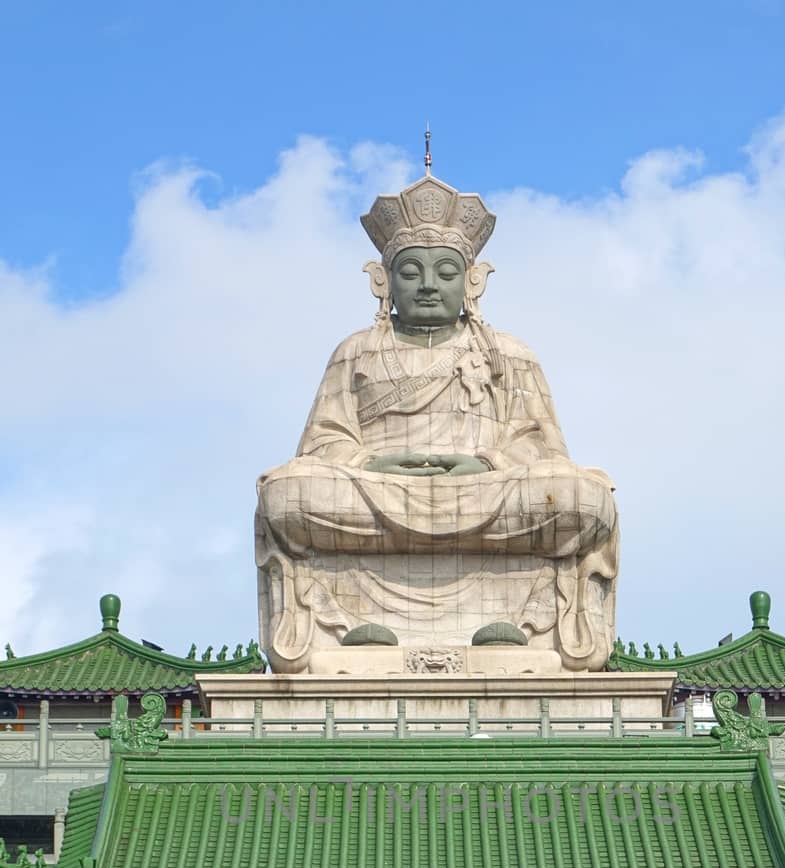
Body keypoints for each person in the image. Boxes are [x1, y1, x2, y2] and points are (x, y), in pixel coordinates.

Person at [255, 172, 619, 674]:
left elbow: (540, 446)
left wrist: (482, 462)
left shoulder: (508, 353)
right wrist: (374, 462)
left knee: (580, 496)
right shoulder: (355, 351)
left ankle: (517, 623)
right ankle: (353, 624)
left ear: (472, 280)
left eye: (444, 271)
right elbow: (323, 441)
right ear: (383, 281)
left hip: (481, 491)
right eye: (411, 272)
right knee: (288, 493)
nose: (428, 285)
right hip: (377, 489)